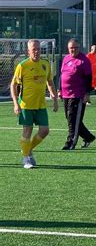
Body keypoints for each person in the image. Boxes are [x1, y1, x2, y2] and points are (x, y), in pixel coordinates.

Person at [10, 39, 58, 169]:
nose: (36, 52)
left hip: (41, 104)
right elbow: (13, 85)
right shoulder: (22, 66)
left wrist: (54, 99)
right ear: (28, 51)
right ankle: (26, 159)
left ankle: (27, 149)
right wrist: (16, 104)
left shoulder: (45, 64)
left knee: (44, 130)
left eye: (38, 49)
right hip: (26, 104)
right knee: (27, 130)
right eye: (33, 49)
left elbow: (50, 82)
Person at [60, 39, 96, 150]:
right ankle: (88, 137)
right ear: (68, 48)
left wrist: (87, 93)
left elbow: (88, 78)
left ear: (79, 48)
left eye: (75, 48)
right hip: (66, 94)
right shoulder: (66, 58)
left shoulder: (84, 61)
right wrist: (59, 89)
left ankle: (71, 142)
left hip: (78, 94)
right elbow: (62, 75)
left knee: (73, 119)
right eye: (71, 48)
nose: (73, 50)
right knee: (70, 118)